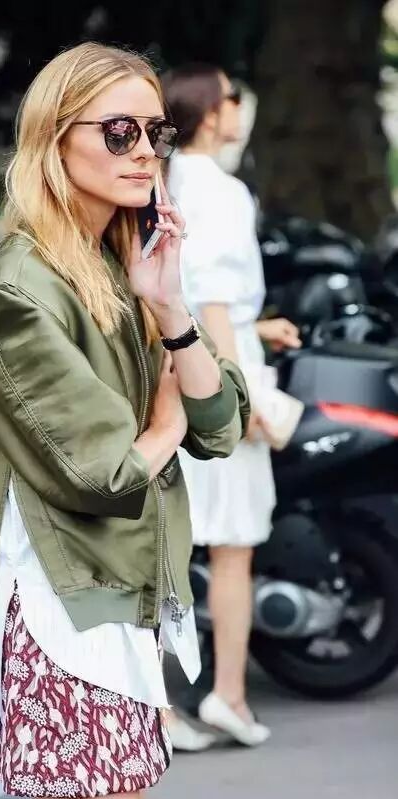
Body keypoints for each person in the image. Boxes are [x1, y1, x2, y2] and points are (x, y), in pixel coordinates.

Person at [0, 43, 249, 799]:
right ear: (55, 138)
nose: (145, 150)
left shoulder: (127, 264)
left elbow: (221, 425)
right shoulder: (24, 282)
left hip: (117, 602)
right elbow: (105, 473)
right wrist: (166, 423)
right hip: (64, 613)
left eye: (156, 132)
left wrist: (172, 310)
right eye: (120, 131)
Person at [163, 64, 301, 747]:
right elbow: (214, 295)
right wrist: (237, 393)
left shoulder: (169, 181)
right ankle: (230, 696)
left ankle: (159, 709)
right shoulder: (220, 189)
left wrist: (255, 327)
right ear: (211, 114)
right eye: (229, 97)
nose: (237, 107)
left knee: (168, 542)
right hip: (218, 365)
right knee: (233, 547)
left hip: (182, 361)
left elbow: (199, 294)